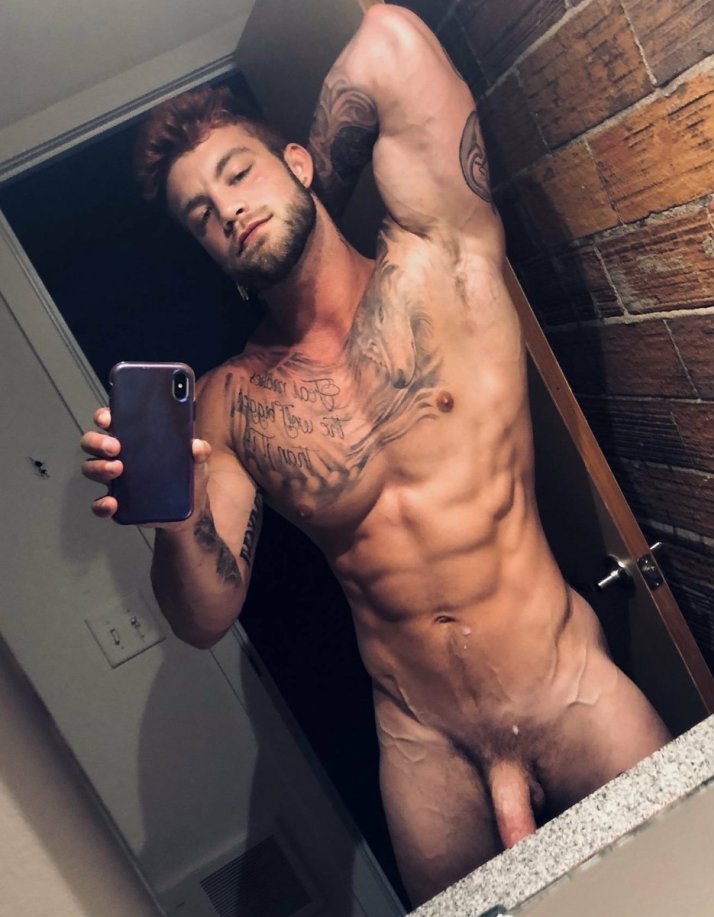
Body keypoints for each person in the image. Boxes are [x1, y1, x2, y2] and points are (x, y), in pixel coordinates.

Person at [81, 5, 670, 906]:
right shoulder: (231, 404)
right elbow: (204, 616)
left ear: (297, 160)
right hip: (423, 744)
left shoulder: (441, 259)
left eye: (238, 173)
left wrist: (308, 189)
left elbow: (391, 41)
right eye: (201, 214)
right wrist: (172, 517)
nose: (228, 209)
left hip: (568, 688)